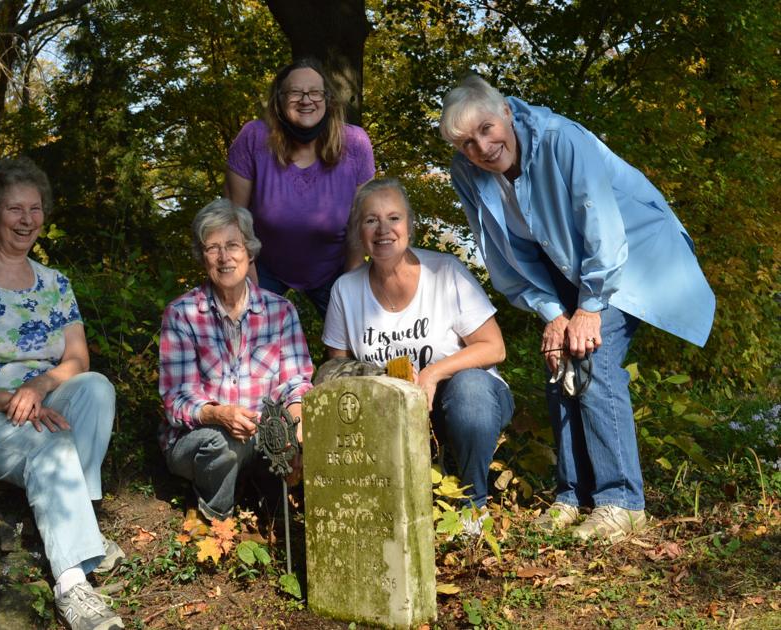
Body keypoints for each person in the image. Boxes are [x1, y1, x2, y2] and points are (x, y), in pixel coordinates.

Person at [441, 75, 716, 542]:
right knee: (558, 364)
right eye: (468, 142)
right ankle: (572, 496)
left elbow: (603, 231)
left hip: (631, 257)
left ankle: (621, 501)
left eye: (487, 128)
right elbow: (504, 255)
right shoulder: (466, 173)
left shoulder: (560, 139)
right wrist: (553, 314)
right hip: (564, 267)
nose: (483, 147)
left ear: (506, 112)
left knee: (593, 356)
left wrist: (587, 310)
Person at [0, 157, 124, 629]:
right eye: (15, 209)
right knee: (50, 445)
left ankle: (82, 520)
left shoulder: (55, 284)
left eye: (35, 209)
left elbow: (77, 360)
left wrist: (37, 386)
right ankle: (73, 584)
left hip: (33, 399)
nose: (27, 220)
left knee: (95, 389)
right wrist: (13, 401)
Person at [322, 178, 514, 534]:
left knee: (469, 388)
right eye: (370, 220)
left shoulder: (445, 273)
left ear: (410, 225)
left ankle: (473, 505)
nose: (383, 230)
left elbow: (494, 346)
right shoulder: (345, 290)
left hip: (463, 404)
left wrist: (431, 374)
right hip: (389, 414)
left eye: (393, 218)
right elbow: (338, 372)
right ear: (358, 232)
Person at [159, 199, 314, 521]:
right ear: (202, 257)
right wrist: (218, 414)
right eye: (212, 247)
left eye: (233, 245)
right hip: (200, 439)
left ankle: (270, 504)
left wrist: (295, 424)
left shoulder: (280, 312)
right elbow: (176, 400)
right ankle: (213, 518)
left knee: (305, 441)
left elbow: (296, 383)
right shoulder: (182, 314)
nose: (224, 256)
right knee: (222, 443)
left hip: (266, 435)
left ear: (250, 251)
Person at [225, 57, 376, 317]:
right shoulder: (254, 137)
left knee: (353, 338)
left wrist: (350, 287)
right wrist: (249, 287)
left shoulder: (355, 143)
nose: (306, 100)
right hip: (264, 263)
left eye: (315, 92)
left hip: (332, 266)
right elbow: (232, 218)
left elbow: (361, 222)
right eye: (295, 92)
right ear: (279, 100)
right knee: (246, 333)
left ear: (328, 99)